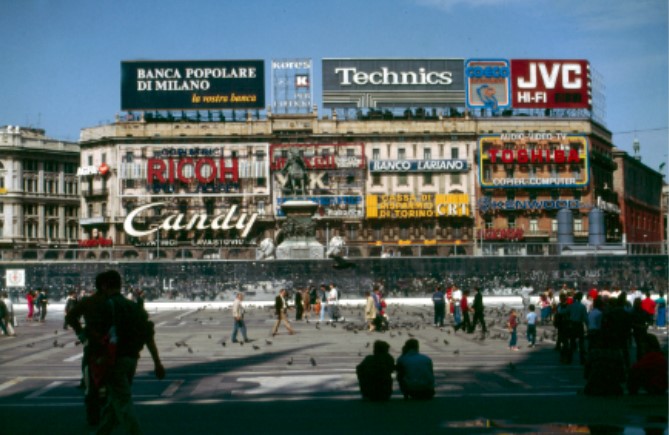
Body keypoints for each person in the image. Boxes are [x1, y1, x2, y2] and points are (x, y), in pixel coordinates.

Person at [95, 270, 165, 435]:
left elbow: (97, 335)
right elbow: (148, 335)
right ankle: (102, 432)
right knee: (115, 399)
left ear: (105, 286)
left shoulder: (107, 306)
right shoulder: (133, 307)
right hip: (132, 359)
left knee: (122, 400)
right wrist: (157, 362)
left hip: (113, 360)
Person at [567, 291, 588, 364]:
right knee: (581, 343)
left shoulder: (571, 306)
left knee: (572, 342)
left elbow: (566, 313)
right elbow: (585, 317)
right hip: (579, 324)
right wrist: (588, 326)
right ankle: (582, 359)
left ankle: (569, 358)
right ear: (581, 298)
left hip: (572, 324)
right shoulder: (582, 306)